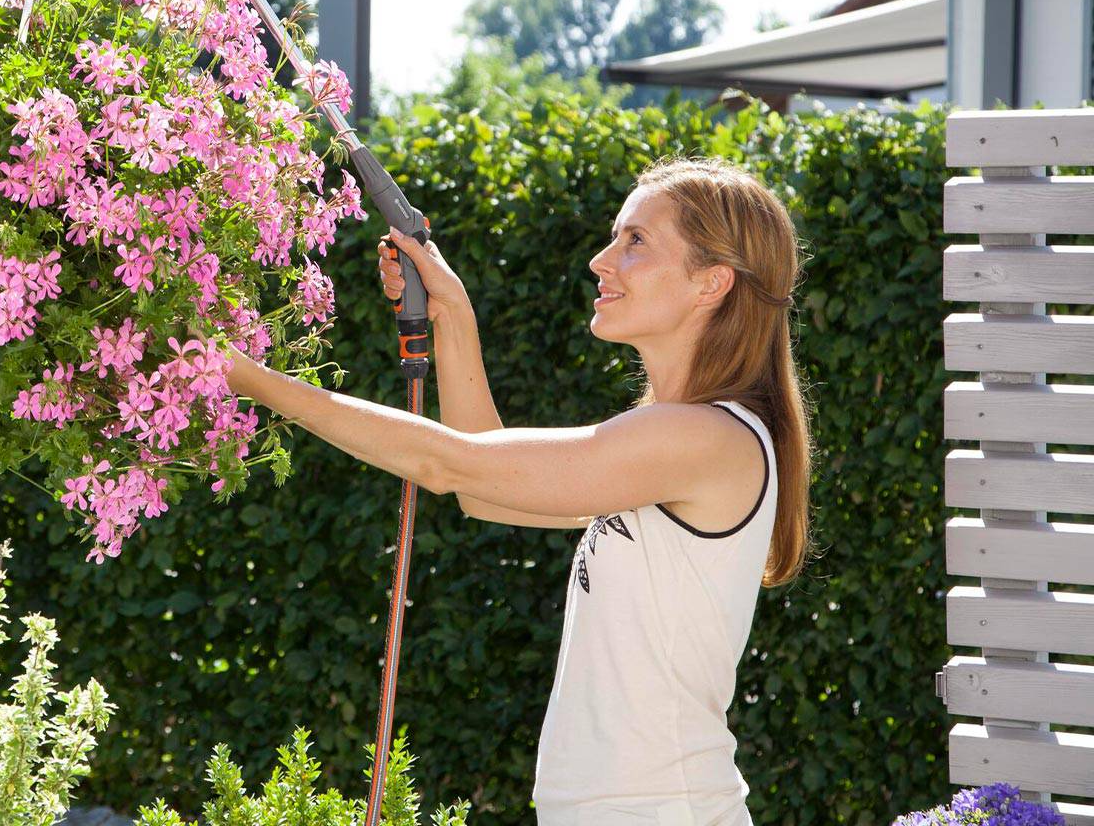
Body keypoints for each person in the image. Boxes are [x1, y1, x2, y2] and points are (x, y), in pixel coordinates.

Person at [220, 155, 813, 826]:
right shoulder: (668, 442)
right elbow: (489, 489)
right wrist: (453, 314)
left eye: (636, 241)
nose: (600, 259)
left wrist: (246, 376)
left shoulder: (707, 439)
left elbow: (455, 466)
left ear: (712, 283)